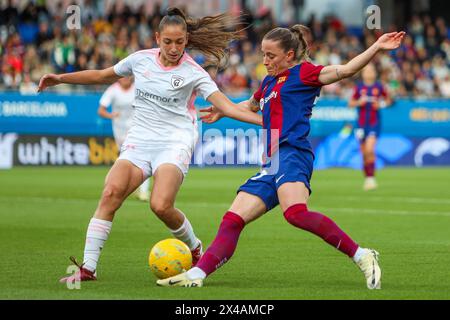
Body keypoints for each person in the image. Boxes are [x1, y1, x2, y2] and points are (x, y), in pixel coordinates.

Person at [157, 25, 405, 289]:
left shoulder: (304, 73)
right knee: (232, 219)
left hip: (294, 153)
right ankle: (196, 275)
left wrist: (377, 47)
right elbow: (251, 107)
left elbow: (345, 70)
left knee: (295, 213)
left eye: (271, 56)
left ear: (289, 55)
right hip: (272, 161)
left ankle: (362, 255)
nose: (265, 61)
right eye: (263, 55)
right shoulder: (267, 83)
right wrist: (223, 111)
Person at [37, 7, 262, 283]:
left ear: (186, 39)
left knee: (160, 205)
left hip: (175, 140)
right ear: (157, 38)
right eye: (168, 41)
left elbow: (226, 106)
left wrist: (267, 123)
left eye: (180, 42)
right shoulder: (140, 60)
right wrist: (59, 79)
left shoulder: (194, 72)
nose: (174, 47)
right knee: (110, 193)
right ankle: (88, 268)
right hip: (140, 139)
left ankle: (195, 247)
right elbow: (100, 76)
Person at [97, 76, 151, 201]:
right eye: (123, 76)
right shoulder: (113, 90)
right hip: (119, 130)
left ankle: (143, 191)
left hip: (136, 129)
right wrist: (111, 115)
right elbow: (101, 110)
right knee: (126, 160)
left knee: (143, 157)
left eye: (128, 76)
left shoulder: (138, 88)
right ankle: (127, 186)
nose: (126, 79)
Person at [349, 64, 393, 191]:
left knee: (369, 149)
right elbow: (350, 103)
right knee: (364, 153)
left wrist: (381, 104)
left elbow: (389, 100)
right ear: (363, 73)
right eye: (366, 71)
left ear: (374, 73)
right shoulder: (359, 88)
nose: (369, 73)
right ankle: (368, 178)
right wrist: (359, 102)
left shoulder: (379, 87)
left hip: (374, 123)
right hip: (361, 125)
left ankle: (371, 178)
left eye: (371, 70)